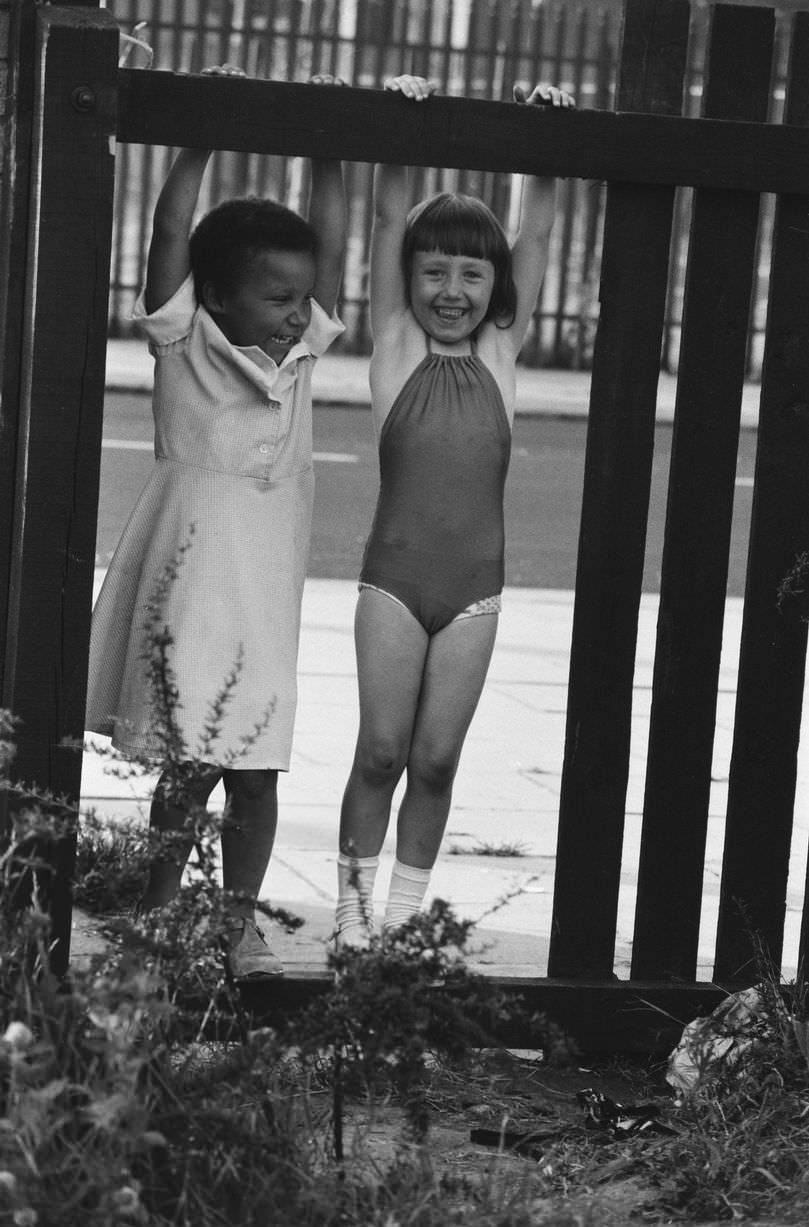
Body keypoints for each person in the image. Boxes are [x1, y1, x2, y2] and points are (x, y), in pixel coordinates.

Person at [86, 66, 346, 978]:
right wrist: (197, 134)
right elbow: (168, 230)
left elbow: (333, 236)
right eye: (279, 298)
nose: (296, 314)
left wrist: (325, 141)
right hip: (195, 575)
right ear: (220, 295)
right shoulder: (183, 338)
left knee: (259, 764)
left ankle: (236, 919)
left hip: (264, 590)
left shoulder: (304, 351)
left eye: (302, 298)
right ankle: (157, 913)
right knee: (189, 759)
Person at [335, 74, 574, 948]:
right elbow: (382, 223)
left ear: (494, 285)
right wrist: (407, 123)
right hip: (392, 584)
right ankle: (354, 926)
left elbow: (538, 229)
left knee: (435, 759)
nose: (451, 288)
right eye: (433, 271)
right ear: (409, 280)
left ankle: (399, 927)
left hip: (475, 590)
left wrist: (539, 137)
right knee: (380, 752)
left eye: (472, 274)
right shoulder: (395, 345)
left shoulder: (501, 353)